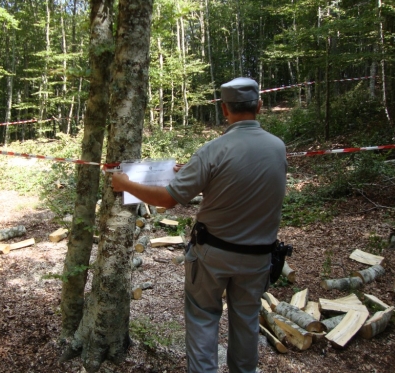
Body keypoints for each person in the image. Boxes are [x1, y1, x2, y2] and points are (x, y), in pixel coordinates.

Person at [111, 77, 287, 373]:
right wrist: (196, 173)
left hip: (212, 256)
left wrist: (125, 183)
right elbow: (246, 183)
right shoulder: (277, 148)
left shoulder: (213, 150)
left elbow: (168, 200)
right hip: (258, 259)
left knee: (203, 318)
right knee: (246, 322)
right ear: (259, 105)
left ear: (224, 109)